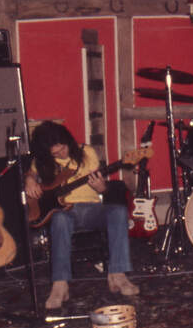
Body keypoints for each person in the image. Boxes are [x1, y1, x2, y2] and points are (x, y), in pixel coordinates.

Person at [25, 121, 140, 310]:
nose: (62, 153)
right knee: (60, 219)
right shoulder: (41, 163)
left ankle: (118, 273)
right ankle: (60, 284)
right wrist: (29, 179)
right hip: (65, 214)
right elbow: (31, 173)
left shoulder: (87, 153)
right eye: (55, 153)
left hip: (92, 209)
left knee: (118, 211)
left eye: (63, 147)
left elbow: (103, 189)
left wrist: (100, 187)